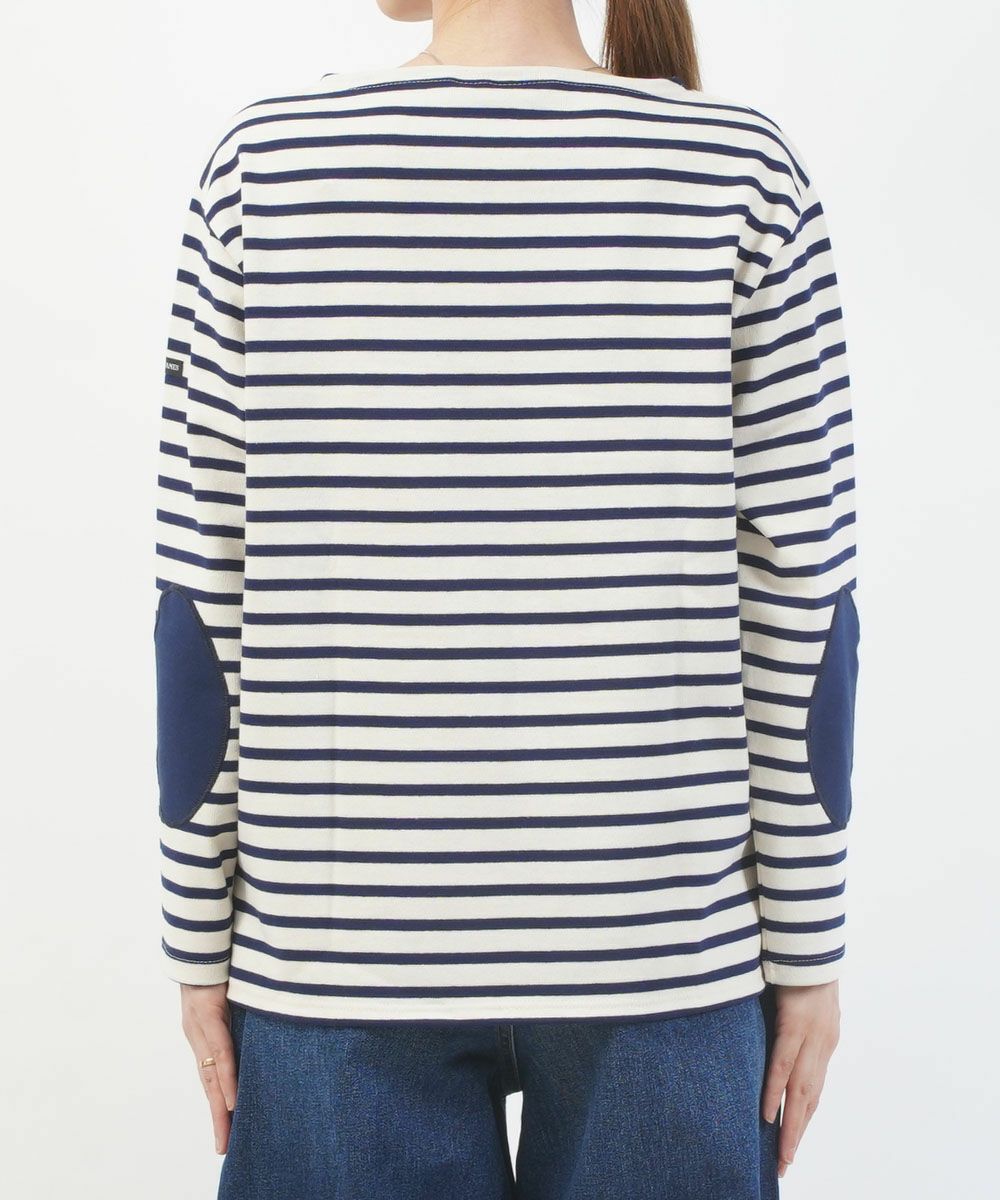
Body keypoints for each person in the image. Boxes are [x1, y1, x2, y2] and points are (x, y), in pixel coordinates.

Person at [153, 1, 859, 1196]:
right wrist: (806, 947)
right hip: (662, 954)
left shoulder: (263, 170)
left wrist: (196, 939)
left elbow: (201, 602)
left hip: (335, 961)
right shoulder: (739, 170)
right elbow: (803, 603)